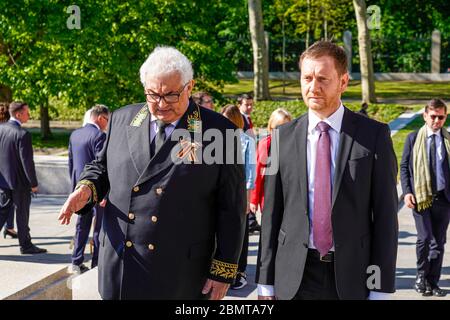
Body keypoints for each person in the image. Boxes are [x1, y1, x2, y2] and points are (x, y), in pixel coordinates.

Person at [58, 46, 246, 300]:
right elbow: (102, 167)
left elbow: (232, 207)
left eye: (170, 95)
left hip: (181, 273)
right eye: (152, 94)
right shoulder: (123, 118)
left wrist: (222, 272)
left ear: (189, 87)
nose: (160, 104)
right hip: (121, 265)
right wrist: (86, 189)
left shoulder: (219, 131)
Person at [256, 41, 398, 300]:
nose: (313, 87)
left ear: (343, 82)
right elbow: (271, 215)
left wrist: (380, 288)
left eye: (323, 78)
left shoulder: (373, 136)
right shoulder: (282, 138)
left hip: (352, 276)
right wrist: (266, 284)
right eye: (307, 78)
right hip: (294, 278)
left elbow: (386, 217)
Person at [400, 98, 450, 297]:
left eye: (441, 117)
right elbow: (404, 167)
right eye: (433, 116)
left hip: (444, 198)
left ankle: (433, 281)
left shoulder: (447, 140)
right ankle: (421, 275)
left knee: (438, 242)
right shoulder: (413, 138)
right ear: (425, 116)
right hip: (421, 198)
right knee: (424, 238)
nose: (437, 121)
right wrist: (407, 191)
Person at [0, 101, 47, 254]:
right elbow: (27, 162)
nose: (29, 115)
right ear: (18, 114)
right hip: (20, 183)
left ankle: (26, 244)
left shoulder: (1, 129)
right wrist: (33, 183)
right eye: (27, 112)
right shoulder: (23, 134)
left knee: (2, 212)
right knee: (22, 214)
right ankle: (26, 245)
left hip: (3, 181)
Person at [68, 104, 109, 274]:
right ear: (100, 118)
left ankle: (76, 261)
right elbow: (102, 166)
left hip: (79, 186)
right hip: (96, 189)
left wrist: (75, 187)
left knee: (81, 226)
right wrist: (104, 193)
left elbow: (71, 164)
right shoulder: (99, 135)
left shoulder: (75, 134)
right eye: (107, 119)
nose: (108, 124)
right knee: (98, 227)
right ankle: (96, 264)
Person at [221, 104, 256, 290]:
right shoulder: (216, 140)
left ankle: (239, 272)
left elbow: (250, 172)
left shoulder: (246, 140)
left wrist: (248, 199)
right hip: (219, 192)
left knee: (240, 233)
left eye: (227, 119)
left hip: (239, 190)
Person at [249, 108, 292, 216]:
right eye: (277, 128)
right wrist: (253, 199)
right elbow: (257, 172)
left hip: (289, 195)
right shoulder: (265, 144)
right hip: (269, 194)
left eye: (286, 127)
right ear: (271, 128)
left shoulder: (293, 143)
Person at [237, 94, 260, 234]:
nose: (250, 107)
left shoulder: (247, 118)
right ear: (239, 104)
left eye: (252, 104)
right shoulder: (239, 119)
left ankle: (251, 221)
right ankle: (251, 221)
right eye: (247, 104)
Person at [0, 102, 17, 239]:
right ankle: (9, 227)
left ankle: (9, 228)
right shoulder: (8, 130)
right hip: (5, 173)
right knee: (8, 202)